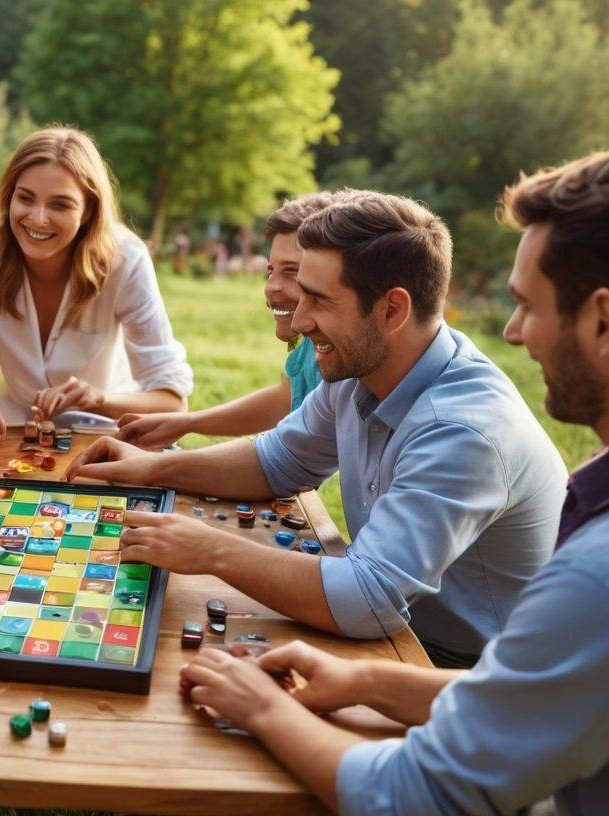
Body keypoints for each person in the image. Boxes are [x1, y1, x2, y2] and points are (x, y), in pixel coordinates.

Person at [182, 151, 609, 816]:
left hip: (456, 665)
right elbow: (277, 457)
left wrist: (262, 706)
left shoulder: (475, 441)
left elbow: (415, 803)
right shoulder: (359, 370)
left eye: (527, 306)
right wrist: (370, 681)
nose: (511, 331)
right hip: (442, 668)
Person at [67, 190, 567, 668]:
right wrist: (151, 468)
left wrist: (209, 548)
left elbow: (366, 603)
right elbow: (277, 460)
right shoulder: (363, 363)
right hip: (401, 631)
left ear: (392, 310)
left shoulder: (459, 432)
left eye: (319, 301)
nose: (299, 321)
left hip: (469, 670)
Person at [0, 127, 193, 440]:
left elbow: (173, 404)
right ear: (9, 196)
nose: (37, 218)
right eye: (26, 198)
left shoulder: (126, 259)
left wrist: (99, 400)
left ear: (88, 210)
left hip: (101, 422)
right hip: (16, 415)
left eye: (60, 205)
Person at [116, 194, 332, 448]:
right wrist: (186, 424)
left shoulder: (349, 364)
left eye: (292, 272)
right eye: (270, 271)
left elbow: (286, 462)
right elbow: (287, 398)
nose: (270, 288)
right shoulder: (313, 347)